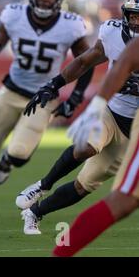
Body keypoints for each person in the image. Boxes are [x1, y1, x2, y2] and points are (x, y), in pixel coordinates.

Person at [0, 0, 92, 218]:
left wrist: (75, 97)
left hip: (43, 98)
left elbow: (86, 62)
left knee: (19, 154)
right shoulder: (14, 15)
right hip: (10, 92)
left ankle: (7, 161)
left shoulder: (71, 25)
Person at [16, 0, 139, 235]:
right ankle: (43, 184)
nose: (136, 22)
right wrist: (53, 85)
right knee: (87, 146)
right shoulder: (112, 32)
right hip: (111, 113)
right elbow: (85, 61)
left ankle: (34, 213)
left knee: (85, 185)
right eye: (133, 16)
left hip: (134, 132)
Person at [53, 35, 139, 257]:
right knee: (124, 200)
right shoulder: (113, 33)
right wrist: (98, 104)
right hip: (117, 117)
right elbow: (131, 54)